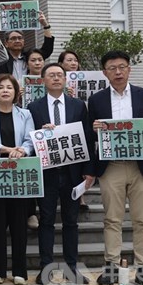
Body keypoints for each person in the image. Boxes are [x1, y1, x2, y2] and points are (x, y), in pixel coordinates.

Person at [88, 51, 143, 285]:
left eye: (122, 67)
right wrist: (95, 128)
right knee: (112, 219)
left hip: (141, 166)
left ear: (129, 69)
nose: (118, 72)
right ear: (104, 72)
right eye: (112, 68)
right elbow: (91, 134)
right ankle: (111, 265)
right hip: (111, 166)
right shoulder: (97, 99)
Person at [27, 63, 92, 285]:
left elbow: (86, 138)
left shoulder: (78, 105)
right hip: (46, 172)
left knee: (71, 221)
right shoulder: (33, 107)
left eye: (60, 75)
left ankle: (71, 268)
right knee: (46, 220)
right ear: (43, 80)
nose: (56, 78)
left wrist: (88, 171)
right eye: (51, 75)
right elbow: (29, 140)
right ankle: (45, 268)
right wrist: (41, 135)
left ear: (65, 80)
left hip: (73, 172)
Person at [0, 74, 34, 285]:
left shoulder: (25, 114)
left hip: (20, 172)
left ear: (16, 92)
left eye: (9, 87)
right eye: (0, 87)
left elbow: (30, 139)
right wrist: (8, 150)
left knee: (19, 223)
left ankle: (20, 270)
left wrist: (23, 150)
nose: (5, 90)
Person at [0, 11, 54, 81]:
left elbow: (47, 49)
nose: (17, 41)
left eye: (20, 38)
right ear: (6, 43)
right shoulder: (2, 60)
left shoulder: (29, 56)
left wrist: (45, 25)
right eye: (13, 38)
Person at [58, 50, 86, 210]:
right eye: (69, 60)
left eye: (75, 60)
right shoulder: (54, 80)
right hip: (59, 126)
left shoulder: (85, 80)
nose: (73, 63)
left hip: (79, 122)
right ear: (61, 64)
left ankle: (80, 196)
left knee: (79, 160)